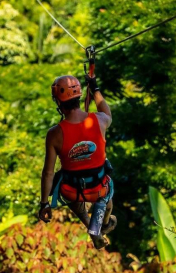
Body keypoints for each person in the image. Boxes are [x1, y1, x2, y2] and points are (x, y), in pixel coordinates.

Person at [38, 74, 117, 249]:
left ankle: (89, 223)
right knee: (106, 195)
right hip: (98, 189)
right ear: (79, 97)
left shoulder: (54, 134)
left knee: (70, 191)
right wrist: (95, 88)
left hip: (72, 191)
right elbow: (107, 112)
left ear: (58, 102)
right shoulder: (100, 120)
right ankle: (102, 223)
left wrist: (44, 203)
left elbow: (48, 173)